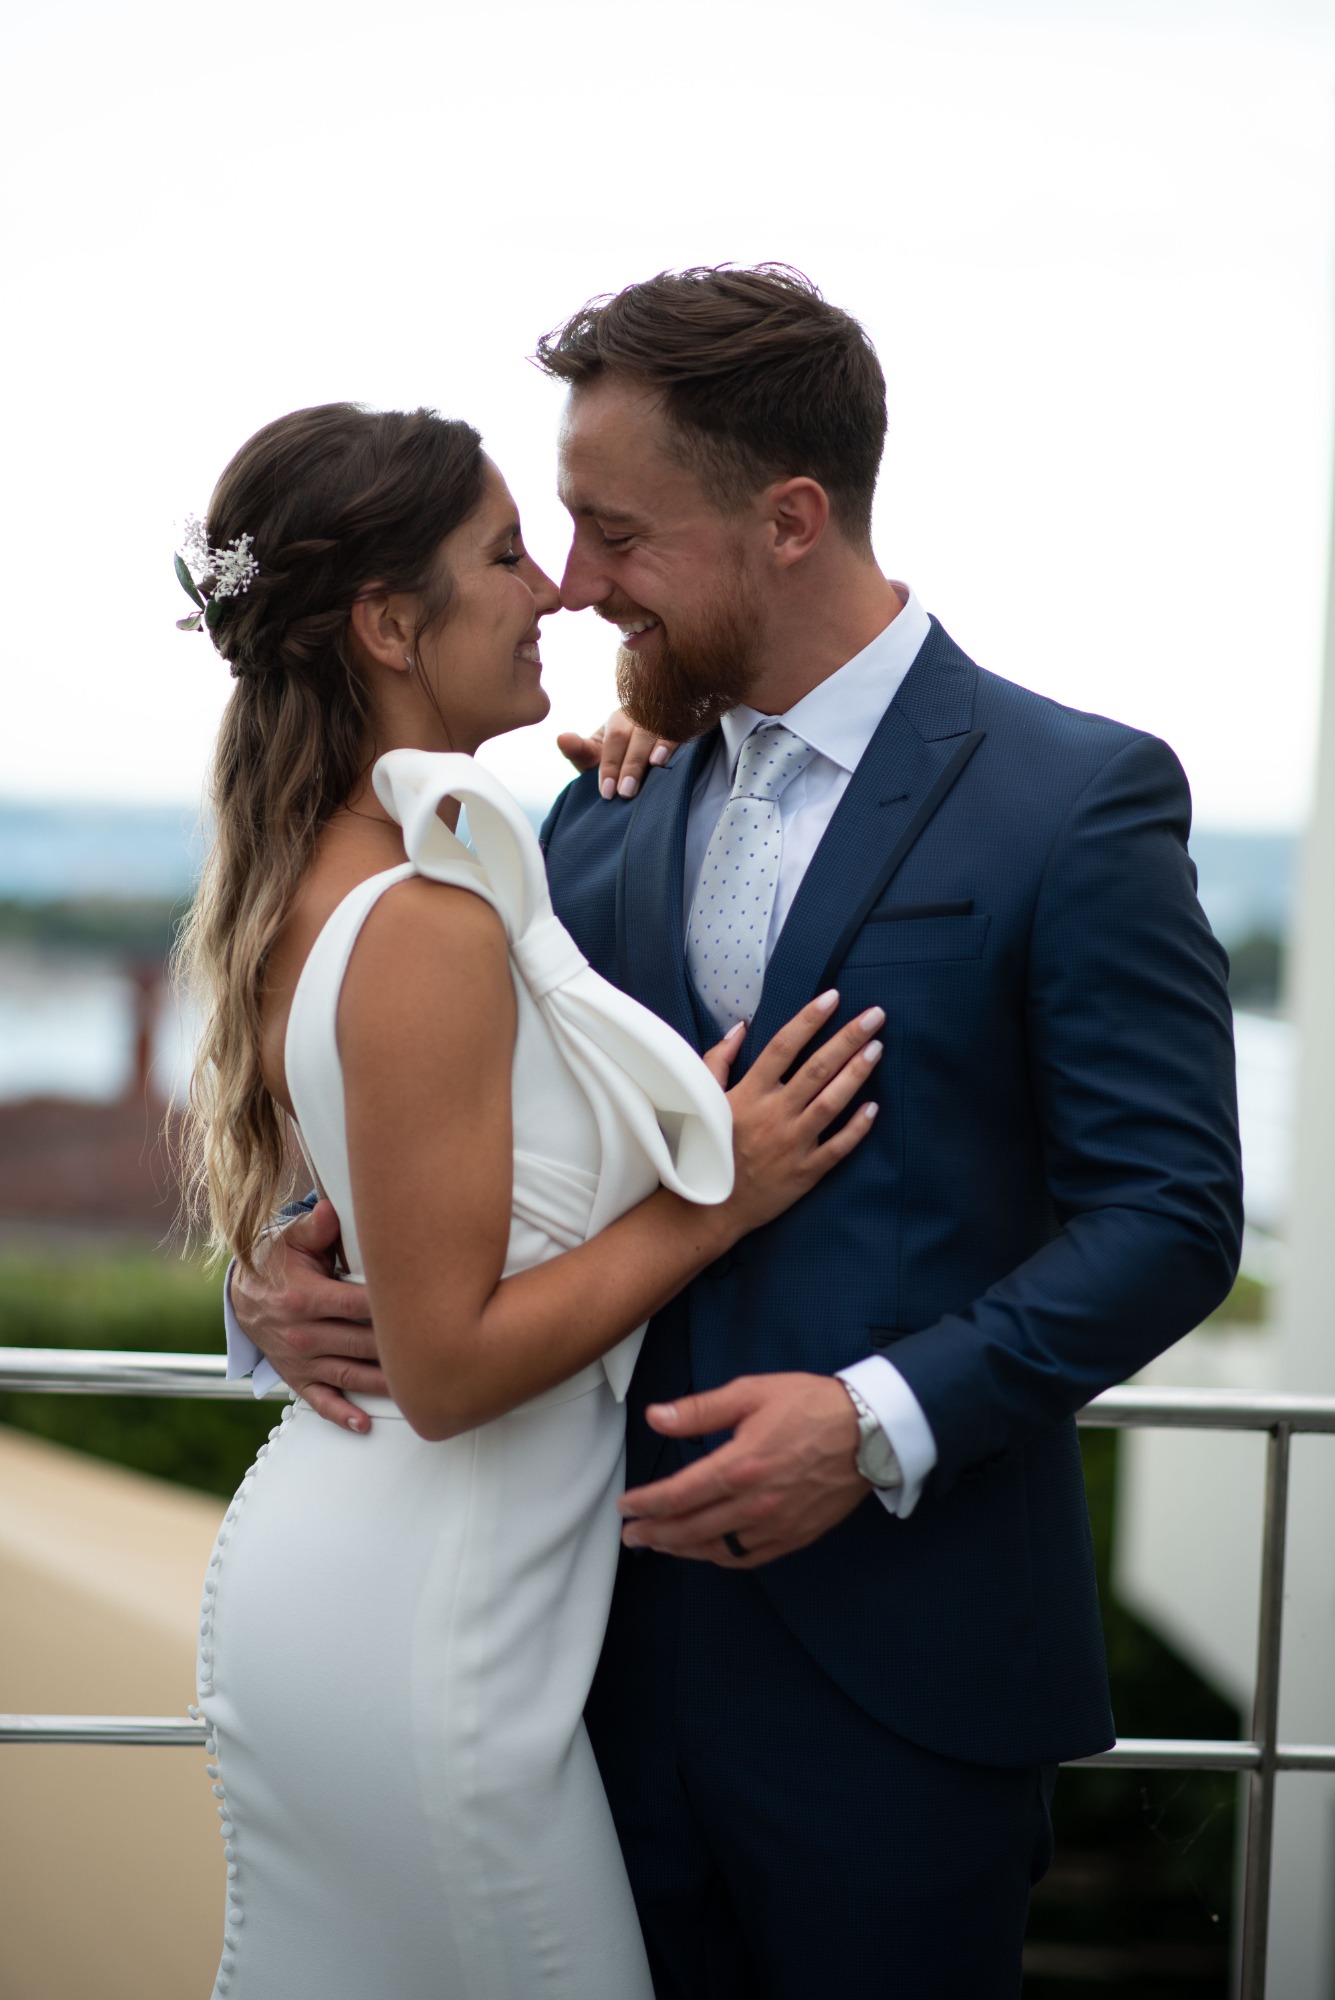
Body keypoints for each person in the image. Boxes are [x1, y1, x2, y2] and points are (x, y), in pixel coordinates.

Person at [230, 270, 1244, 1997]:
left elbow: (1170, 1216)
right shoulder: (592, 817)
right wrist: (281, 1284)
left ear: (789, 519)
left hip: (906, 1683)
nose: (573, 582)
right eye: (557, 531)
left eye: (617, 533)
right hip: (575, 1680)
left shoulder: (1076, 799)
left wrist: (874, 1422)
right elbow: (456, 1147)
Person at [180, 399, 884, 2000]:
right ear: (387, 624)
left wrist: (649, 769)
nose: (553, 590)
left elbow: (390, 1199)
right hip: (433, 1637)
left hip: (380, 1591)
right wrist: (718, 1195)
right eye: (506, 555)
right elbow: (445, 1369)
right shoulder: (424, 918)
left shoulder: (356, 872)